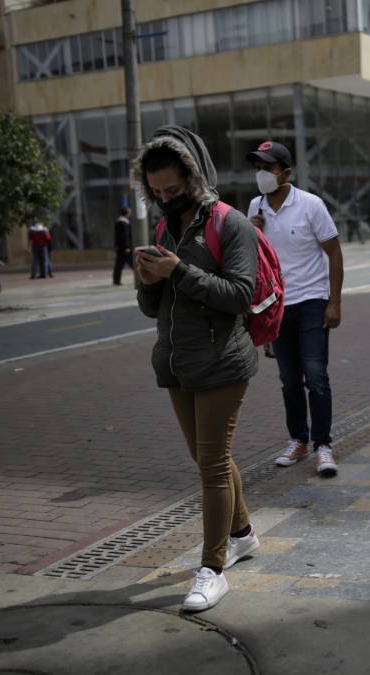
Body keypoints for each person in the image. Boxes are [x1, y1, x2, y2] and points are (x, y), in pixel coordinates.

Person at [132, 125, 261, 613]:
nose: (166, 199)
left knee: (211, 463)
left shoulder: (231, 225)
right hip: (177, 363)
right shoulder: (165, 229)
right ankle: (243, 533)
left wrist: (179, 271)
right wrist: (148, 279)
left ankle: (213, 568)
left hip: (223, 360)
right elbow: (153, 308)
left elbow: (240, 296)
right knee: (209, 458)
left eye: (174, 189)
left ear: (194, 176)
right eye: (157, 192)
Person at [245, 140, 344, 478]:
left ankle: (323, 445)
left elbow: (334, 252)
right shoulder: (254, 207)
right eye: (258, 167)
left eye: (268, 168)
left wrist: (335, 301)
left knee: (315, 375)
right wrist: (251, 234)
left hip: (313, 302)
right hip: (277, 307)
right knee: (289, 379)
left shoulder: (311, 205)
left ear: (285, 172)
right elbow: (251, 262)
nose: (262, 174)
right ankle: (298, 439)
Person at [113, 207, 133, 285]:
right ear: (126, 213)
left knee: (119, 264)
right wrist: (127, 247)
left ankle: (116, 280)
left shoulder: (119, 222)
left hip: (120, 247)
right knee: (132, 263)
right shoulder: (123, 223)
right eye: (129, 212)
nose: (130, 213)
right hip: (124, 248)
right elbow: (124, 236)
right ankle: (141, 278)